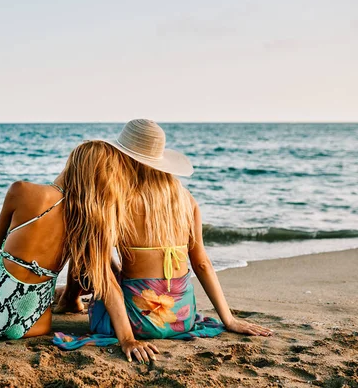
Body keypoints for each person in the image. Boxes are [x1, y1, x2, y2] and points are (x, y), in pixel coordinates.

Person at [0, 140, 160, 362]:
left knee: (1, 260)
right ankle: (57, 301)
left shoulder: (22, 190)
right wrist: (128, 340)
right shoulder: (86, 226)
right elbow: (109, 286)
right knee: (70, 265)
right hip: (35, 327)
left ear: (72, 163)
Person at [56, 119, 273, 345]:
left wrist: (128, 339)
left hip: (137, 322)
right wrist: (229, 320)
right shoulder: (186, 200)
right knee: (102, 256)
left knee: (88, 248)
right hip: (181, 318)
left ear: (122, 156)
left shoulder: (120, 202)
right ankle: (68, 296)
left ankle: (69, 298)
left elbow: (105, 278)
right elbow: (202, 264)